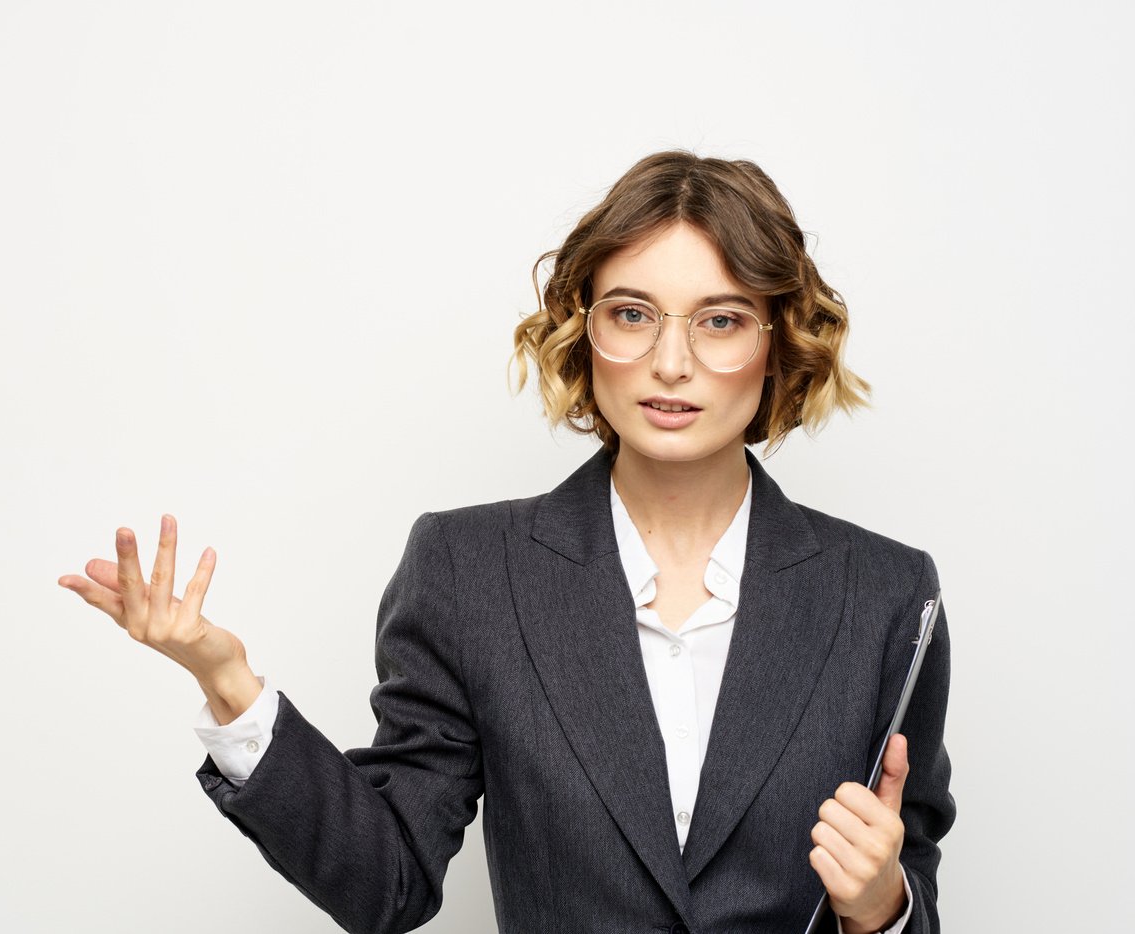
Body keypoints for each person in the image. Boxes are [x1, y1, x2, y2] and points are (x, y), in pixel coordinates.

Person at [58, 150, 956, 934]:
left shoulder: (884, 597)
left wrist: (882, 908)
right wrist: (229, 685)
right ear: (583, 330)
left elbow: (904, 877)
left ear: (777, 342)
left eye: (719, 320)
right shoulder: (470, 572)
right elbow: (388, 884)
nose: (671, 363)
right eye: (633, 314)